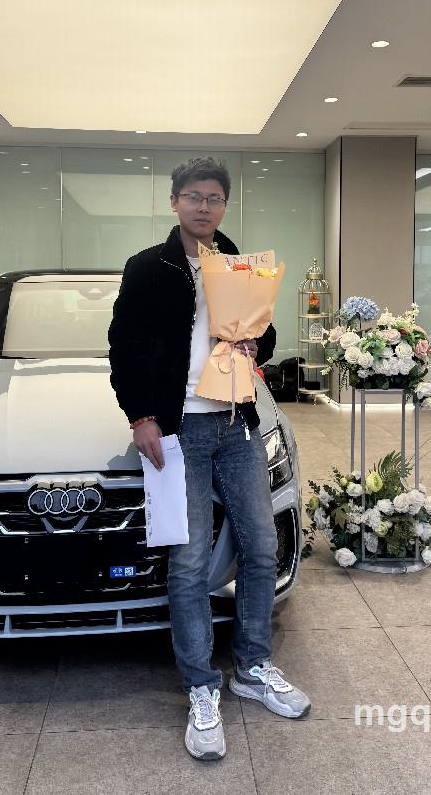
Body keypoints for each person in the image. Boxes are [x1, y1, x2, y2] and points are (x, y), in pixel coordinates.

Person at [108, 156, 311, 761]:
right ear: (174, 202)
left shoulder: (237, 261)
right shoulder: (149, 267)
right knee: (191, 561)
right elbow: (123, 346)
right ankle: (201, 685)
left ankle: (253, 667)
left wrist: (256, 343)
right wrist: (141, 416)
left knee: (262, 546)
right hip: (181, 429)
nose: (204, 207)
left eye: (214, 198)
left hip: (236, 422)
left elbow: (266, 335)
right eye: (194, 197)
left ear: (224, 205)